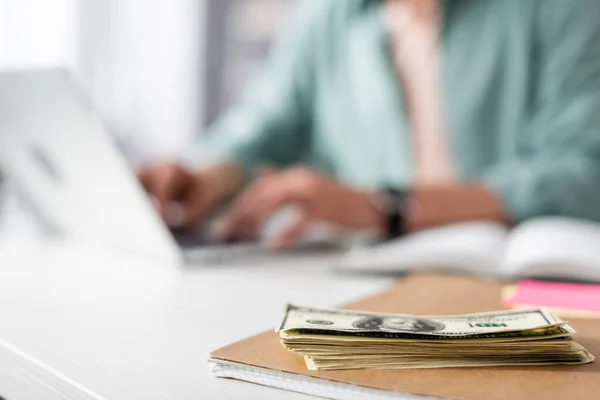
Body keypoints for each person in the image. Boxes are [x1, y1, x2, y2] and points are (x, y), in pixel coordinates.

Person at [137, 0, 600, 250]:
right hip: (363, 277)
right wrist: (204, 176)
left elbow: (582, 171)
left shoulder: (558, 10)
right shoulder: (327, 15)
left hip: (512, 283)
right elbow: (265, 124)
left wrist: (383, 206)